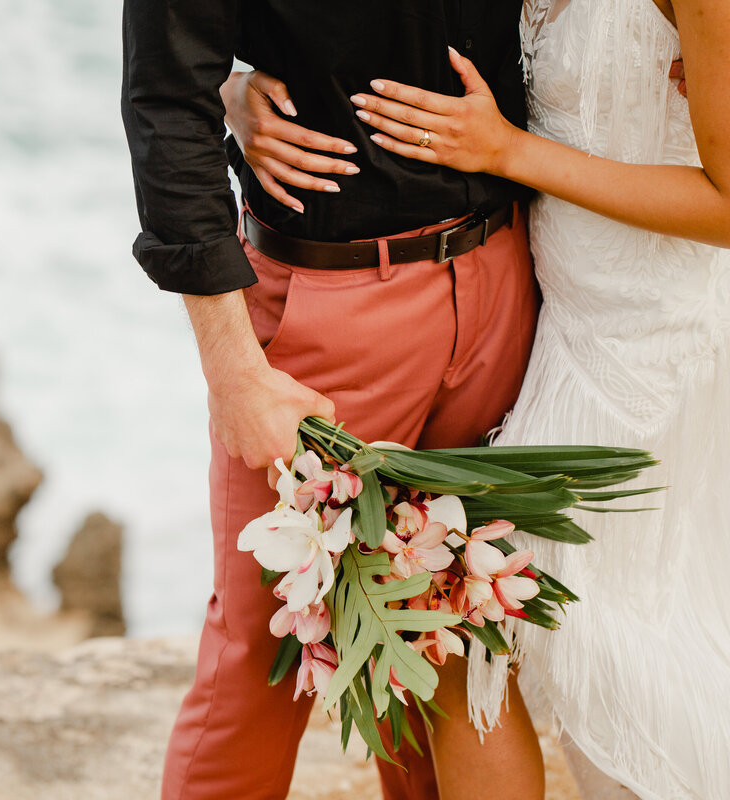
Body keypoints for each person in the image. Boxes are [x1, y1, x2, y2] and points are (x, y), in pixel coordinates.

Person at [219, 0, 730, 797]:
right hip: (540, 323)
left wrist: (508, 151)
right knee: (469, 643)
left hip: (647, 353)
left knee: (633, 656)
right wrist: (240, 92)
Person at [121, 4, 548, 799]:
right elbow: (165, 97)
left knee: (446, 624)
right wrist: (234, 371)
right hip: (334, 300)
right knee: (264, 648)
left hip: (508, 270)